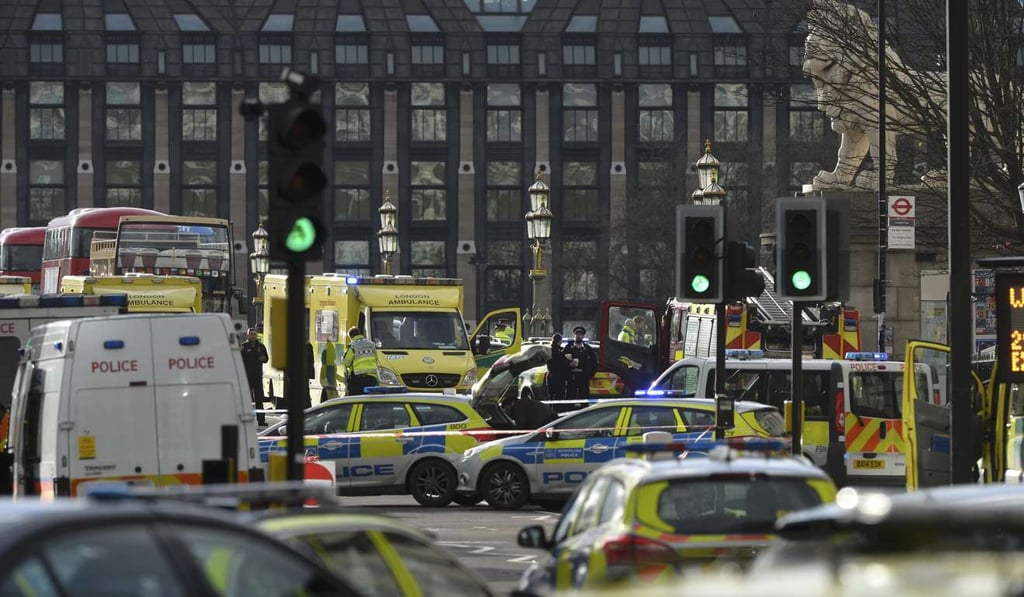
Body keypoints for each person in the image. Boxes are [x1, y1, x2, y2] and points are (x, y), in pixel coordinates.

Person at [240, 327, 269, 426]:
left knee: (259, 399)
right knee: (247, 400)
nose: (253, 336)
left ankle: (261, 420)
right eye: (251, 334)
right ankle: (247, 420)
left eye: (254, 334)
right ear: (248, 335)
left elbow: (266, 359)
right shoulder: (243, 347)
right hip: (246, 377)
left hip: (257, 377)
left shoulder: (261, 346)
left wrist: (263, 358)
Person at [563, 326, 598, 402]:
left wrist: (588, 375)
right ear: (574, 335)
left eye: (580, 334)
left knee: (584, 398)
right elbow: (561, 362)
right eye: (577, 334)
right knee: (570, 397)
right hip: (571, 377)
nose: (578, 336)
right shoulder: (568, 347)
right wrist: (568, 365)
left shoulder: (588, 349)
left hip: (583, 377)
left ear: (583, 336)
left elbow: (594, 363)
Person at [343, 326, 378, 396]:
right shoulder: (371, 344)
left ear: (351, 336)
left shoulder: (353, 346)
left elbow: (347, 362)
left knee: (354, 399)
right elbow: (376, 358)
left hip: (358, 379)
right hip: (372, 378)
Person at [545, 333, 570, 404]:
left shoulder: (549, 350)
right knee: (559, 397)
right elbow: (563, 364)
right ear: (559, 341)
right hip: (558, 378)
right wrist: (568, 360)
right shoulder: (559, 352)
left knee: (551, 397)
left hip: (550, 376)